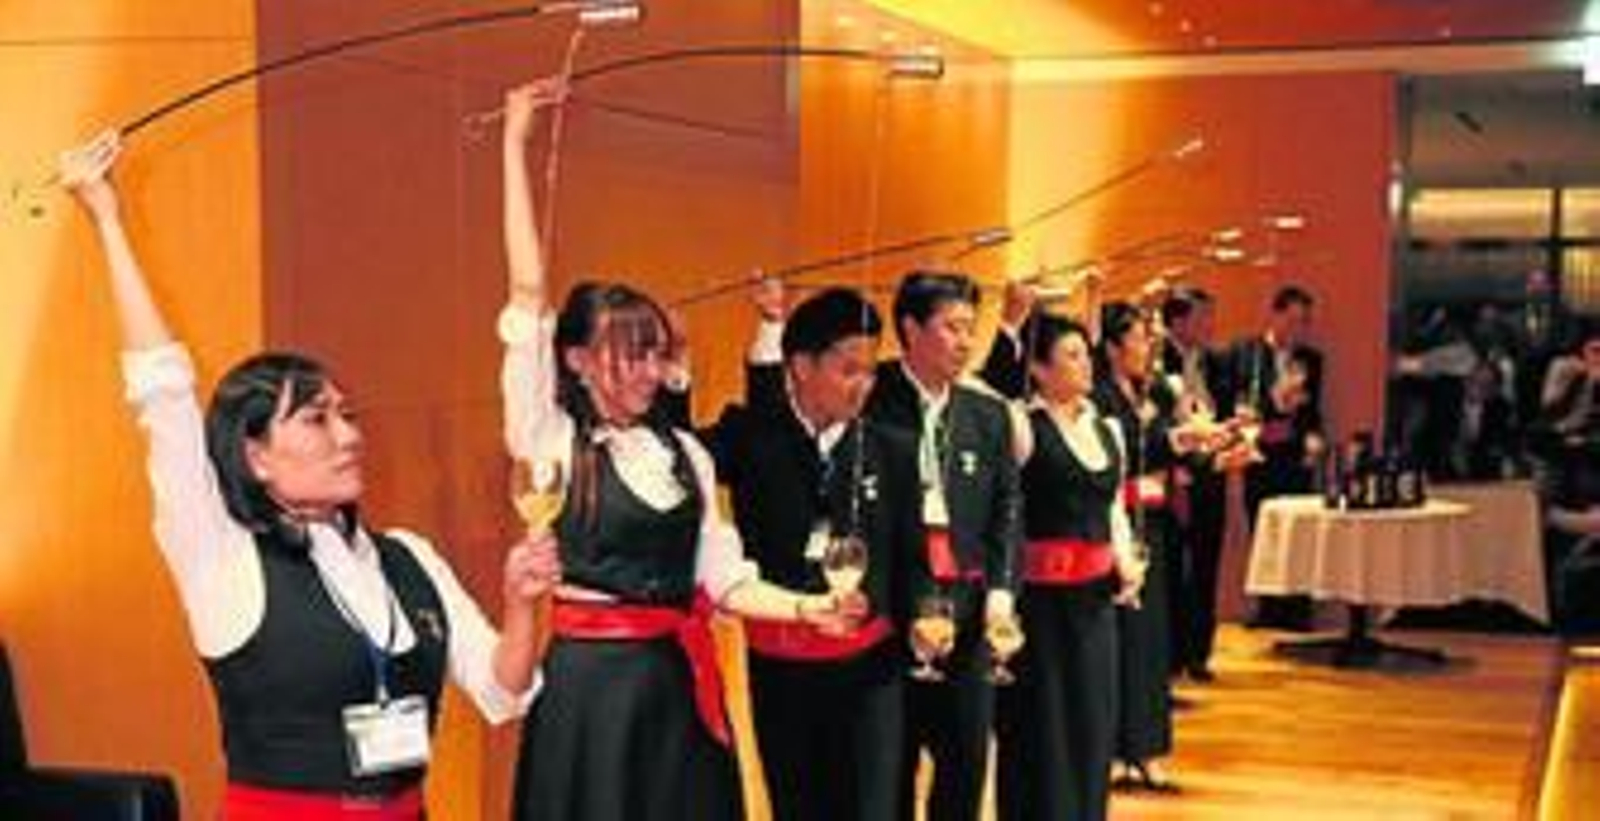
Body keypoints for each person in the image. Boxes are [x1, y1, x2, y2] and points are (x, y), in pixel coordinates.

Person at [62, 131, 554, 820]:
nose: (350, 435)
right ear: (255, 454)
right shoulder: (221, 554)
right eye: (318, 420)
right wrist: (107, 218)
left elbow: (504, 691)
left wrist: (524, 601)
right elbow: (163, 394)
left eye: (347, 415)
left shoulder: (406, 557)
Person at [498, 79, 862, 821]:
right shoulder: (552, 438)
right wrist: (514, 144)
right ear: (574, 360)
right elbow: (528, 293)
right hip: (587, 697)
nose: (649, 372)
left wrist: (810, 605)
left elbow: (724, 579)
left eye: (656, 355)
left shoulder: (684, 455)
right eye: (628, 355)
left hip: (676, 686)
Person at [704, 282, 919, 821]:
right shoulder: (752, 437)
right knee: (798, 804)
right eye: (849, 370)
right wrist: (678, 376)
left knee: (873, 805)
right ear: (800, 366)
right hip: (783, 667)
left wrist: (924, 619)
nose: (864, 385)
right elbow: (676, 453)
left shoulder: (892, 448)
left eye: (871, 370)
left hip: (871, 669)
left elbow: (912, 555)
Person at [865, 270, 1023, 821]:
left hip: (969, 610)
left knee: (965, 763)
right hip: (890, 615)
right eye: (951, 327)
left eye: (970, 328)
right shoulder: (871, 398)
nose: (965, 341)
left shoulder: (986, 413)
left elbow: (1007, 510)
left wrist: (1002, 596)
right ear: (910, 328)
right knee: (890, 771)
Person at [984, 309, 1144, 821]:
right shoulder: (1021, 425)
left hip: (1095, 604)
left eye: (1084, 353)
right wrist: (1011, 321)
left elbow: (1113, 508)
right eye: (1070, 355)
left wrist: (1126, 560)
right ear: (1038, 369)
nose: (1085, 365)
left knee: (1092, 724)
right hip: (1041, 608)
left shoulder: (1108, 428)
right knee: (1041, 733)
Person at [1093, 301, 1183, 793]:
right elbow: (1126, 447)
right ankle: (1111, 748)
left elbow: (1167, 442)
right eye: (1139, 338)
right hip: (1115, 523)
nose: (1148, 347)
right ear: (1112, 347)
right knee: (1119, 641)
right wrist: (1168, 434)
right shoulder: (1102, 397)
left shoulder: (1153, 391)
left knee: (1151, 641)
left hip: (1154, 522)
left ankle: (1146, 748)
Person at [1232, 285, 1325, 631]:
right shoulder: (1248, 353)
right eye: (1294, 320)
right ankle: (1268, 608)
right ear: (1276, 315)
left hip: (1295, 457)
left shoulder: (1311, 360)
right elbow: (1240, 401)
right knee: (1263, 531)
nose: (1299, 328)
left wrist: (1313, 437)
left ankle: (1298, 610)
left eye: (1305, 322)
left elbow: (1313, 410)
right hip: (1259, 454)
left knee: (1299, 532)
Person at [1158, 287, 1233, 682]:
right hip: (1173, 477)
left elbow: (1221, 412)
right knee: (1171, 567)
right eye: (1202, 317)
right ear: (1177, 320)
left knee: (1206, 564)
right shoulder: (1156, 360)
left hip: (1211, 471)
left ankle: (1199, 653)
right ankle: (1170, 655)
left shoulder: (1214, 362)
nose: (1209, 326)